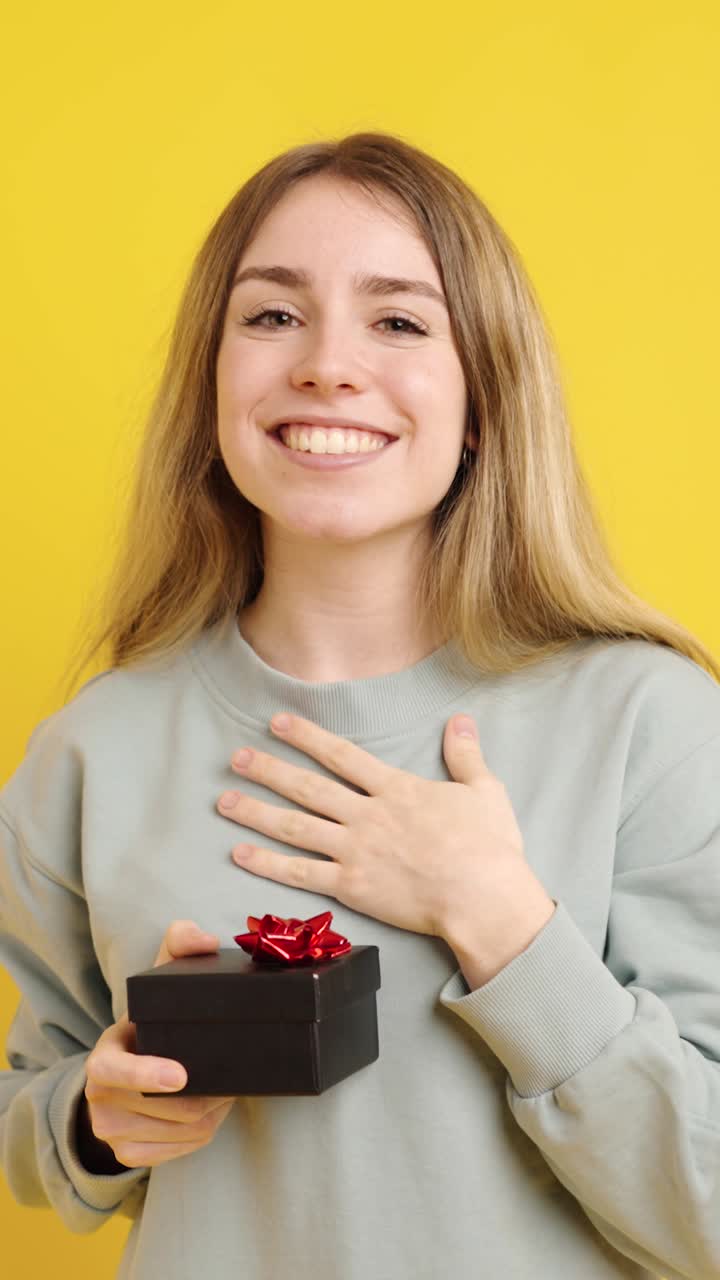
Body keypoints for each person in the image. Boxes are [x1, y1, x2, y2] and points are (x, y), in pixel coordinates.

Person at [1, 131, 719, 1280]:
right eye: (272, 315)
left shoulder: (651, 724)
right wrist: (96, 1116)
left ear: (482, 396)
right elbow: (34, 1116)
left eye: (398, 320)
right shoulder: (91, 753)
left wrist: (501, 920)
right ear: (211, 384)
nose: (328, 366)